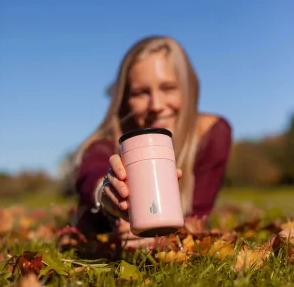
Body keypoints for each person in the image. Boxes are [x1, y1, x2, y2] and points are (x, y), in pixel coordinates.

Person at [70, 35, 232, 252]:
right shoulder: (111, 142)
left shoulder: (210, 133)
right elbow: (93, 174)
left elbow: (198, 214)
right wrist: (107, 193)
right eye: (141, 93)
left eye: (168, 88)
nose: (155, 105)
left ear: (187, 88)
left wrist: (163, 240)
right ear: (125, 99)